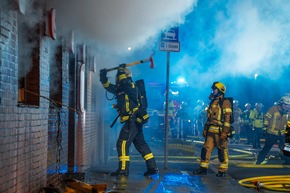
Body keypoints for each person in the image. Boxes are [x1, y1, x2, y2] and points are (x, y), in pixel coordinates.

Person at [99, 65, 159, 178]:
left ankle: (123, 170)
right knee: (141, 145)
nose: (117, 78)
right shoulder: (121, 88)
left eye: (119, 76)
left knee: (122, 143)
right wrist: (103, 77)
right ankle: (152, 168)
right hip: (134, 121)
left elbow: (125, 83)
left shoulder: (130, 86)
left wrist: (121, 70)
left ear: (125, 76)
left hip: (132, 120)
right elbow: (108, 87)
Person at [193, 82, 232, 177]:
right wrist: (206, 128)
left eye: (215, 89)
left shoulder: (225, 102)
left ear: (220, 90)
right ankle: (203, 168)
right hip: (211, 130)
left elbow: (227, 119)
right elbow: (209, 117)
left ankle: (222, 171)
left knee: (222, 151)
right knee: (205, 150)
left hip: (220, 131)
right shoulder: (213, 102)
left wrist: (225, 132)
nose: (213, 91)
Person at [256, 96, 290, 165]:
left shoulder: (287, 112)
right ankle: (259, 162)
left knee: (286, 148)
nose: (287, 106)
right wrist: (265, 129)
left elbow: (287, 122)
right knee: (267, 148)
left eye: (288, 105)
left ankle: (288, 162)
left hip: (282, 133)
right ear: (281, 103)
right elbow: (266, 119)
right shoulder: (273, 109)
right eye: (285, 104)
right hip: (272, 133)